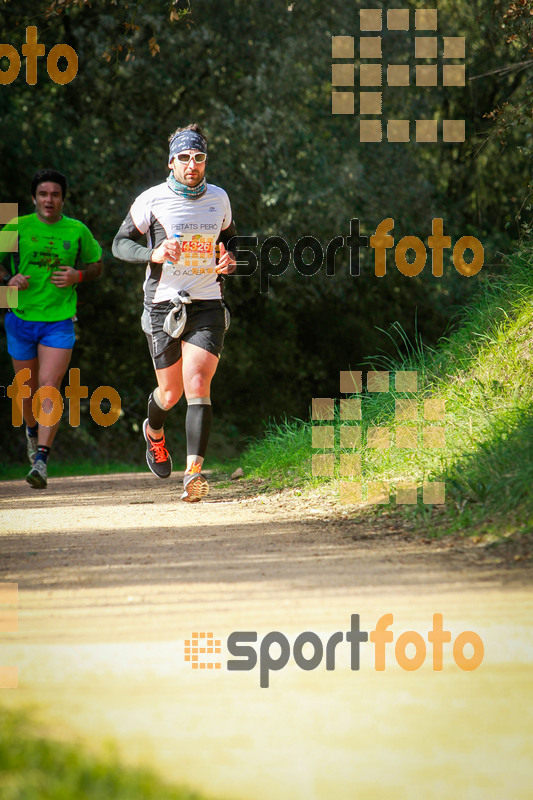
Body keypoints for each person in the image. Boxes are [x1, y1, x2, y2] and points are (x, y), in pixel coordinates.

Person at [112, 123, 237, 502]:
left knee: (197, 383)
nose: (192, 165)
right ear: (171, 162)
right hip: (163, 304)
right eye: (184, 158)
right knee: (170, 392)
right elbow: (119, 244)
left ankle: (193, 475)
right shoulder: (151, 199)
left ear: (205, 161)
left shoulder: (219, 198)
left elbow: (233, 243)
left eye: (199, 158)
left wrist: (233, 260)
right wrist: (152, 253)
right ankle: (154, 432)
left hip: (207, 303)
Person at [0, 169, 103, 488]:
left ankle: (42, 460)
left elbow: (97, 265)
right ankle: (31, 433)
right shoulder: (16, 226)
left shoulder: (77, 230)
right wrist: (8, 280)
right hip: (20, 318)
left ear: (63, 198)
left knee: (49, 385)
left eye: (55, 194)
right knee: (26, 392)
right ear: (34, 198)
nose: (49, 199)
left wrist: (78, 277)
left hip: (59, 320)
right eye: (43, 194)